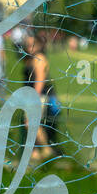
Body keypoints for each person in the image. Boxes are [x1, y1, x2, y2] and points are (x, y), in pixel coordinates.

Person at [23, 33, 64, 161]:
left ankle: (46, 150)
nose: (29, 46)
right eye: (27, 44)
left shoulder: (39, 58)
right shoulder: (31, 57)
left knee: (31, 123)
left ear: (39, 44)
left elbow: (40, 80)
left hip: (39, 95)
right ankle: (34, 153)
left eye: (32, 44)